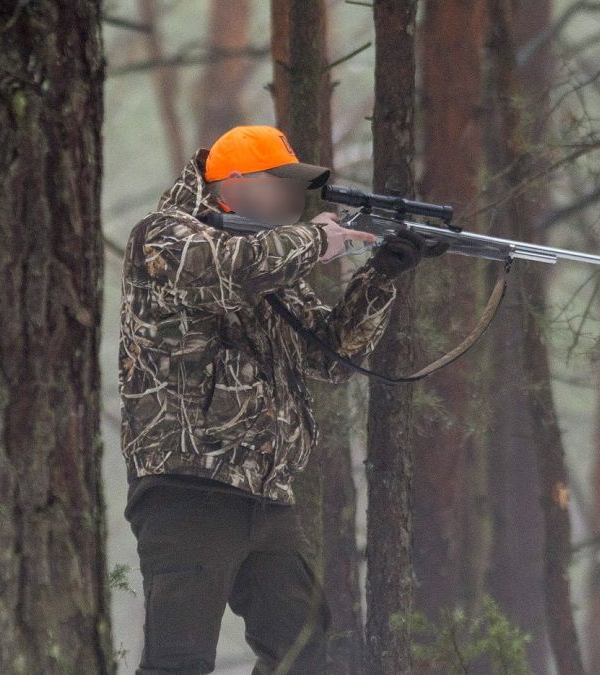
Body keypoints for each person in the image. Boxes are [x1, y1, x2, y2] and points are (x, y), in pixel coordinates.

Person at [117, 124, 444, 674]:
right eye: (281, 182)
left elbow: (331, 354)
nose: (294, 198)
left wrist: (380, 277)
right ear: (235, 181)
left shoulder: (272, 259)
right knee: (179, 660)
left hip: (266, 494)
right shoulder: (165, 236)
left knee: (303, 650)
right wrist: (317, 239)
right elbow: (230, 270)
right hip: (189, 486)